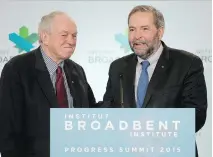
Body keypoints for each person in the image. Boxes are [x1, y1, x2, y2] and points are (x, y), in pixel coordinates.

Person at [103, 5, 207, 156]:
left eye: (144, 29)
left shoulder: (187, 63)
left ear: (160, 32)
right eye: (132, 29)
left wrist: (150, 135)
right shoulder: (117, 67)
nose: (137, 35)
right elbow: (109, 108)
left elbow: (195, 116)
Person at [0, 11, 97, 157]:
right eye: (64, 35)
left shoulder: (77, 71)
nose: (71, 41)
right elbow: (7, 128)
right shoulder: (17, 69)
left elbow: (90, 112)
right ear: (45, 37)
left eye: (74, 35)